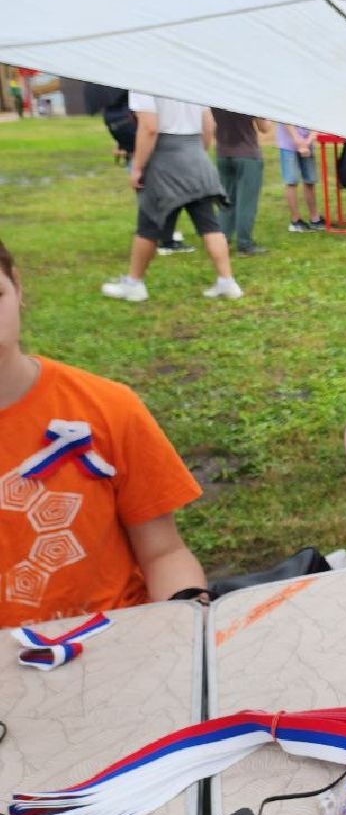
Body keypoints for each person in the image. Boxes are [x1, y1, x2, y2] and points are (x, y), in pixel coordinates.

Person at [1, 238, 209, 626]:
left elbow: (163, 553)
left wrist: (185, 624)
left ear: (16, 286)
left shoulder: (107, 407)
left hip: (113, 648)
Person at [101, 93, 242, 303]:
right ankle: (227, 281)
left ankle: (134, 284)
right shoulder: (189, 80)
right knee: (209, 225)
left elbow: (149, 127)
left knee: (148, 225)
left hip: (164, 161)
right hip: (195, 156)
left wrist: (138, 166)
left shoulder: (143, 84)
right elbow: (209, 125)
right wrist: (195, 154)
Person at [212, 107, 268, 257]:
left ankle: (222, 240)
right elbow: (264, 128)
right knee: (246, 203)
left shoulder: (215, 98)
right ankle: (245, 244)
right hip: (247, 154)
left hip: (223, 153)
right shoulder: (248, 98)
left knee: (226, 201)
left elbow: (212, 126)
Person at [277, 122, 324, 232]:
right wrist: (297, 139)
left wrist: (307, 142)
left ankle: (315, 219)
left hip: (307, 143)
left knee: (310, 180)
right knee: (291, 182)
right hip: (288, 144)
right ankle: (296, 221)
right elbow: (284, 117)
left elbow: (317, 119)